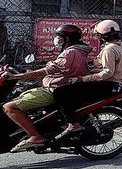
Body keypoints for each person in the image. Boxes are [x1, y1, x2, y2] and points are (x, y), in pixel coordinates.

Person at [2, 24, 90, 152]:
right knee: (21, 95)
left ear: (67, 39)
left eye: (59, 37)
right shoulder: (79, 51)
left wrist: (16, 76)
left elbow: (45, 71)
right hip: (59, 86)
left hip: (54, 89)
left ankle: (35, 136)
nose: (57, 39)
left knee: (9, 107)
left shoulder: (70, 53)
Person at [53, 19, 122, 140]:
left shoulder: (109, 50)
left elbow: (107, 73)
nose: (98, 37)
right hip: (113, 85)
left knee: (60, 92)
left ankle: (73, 125)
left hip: (107, 85)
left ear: (103, 36)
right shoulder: (119, 47)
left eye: (98, 35)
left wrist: (82, 79)